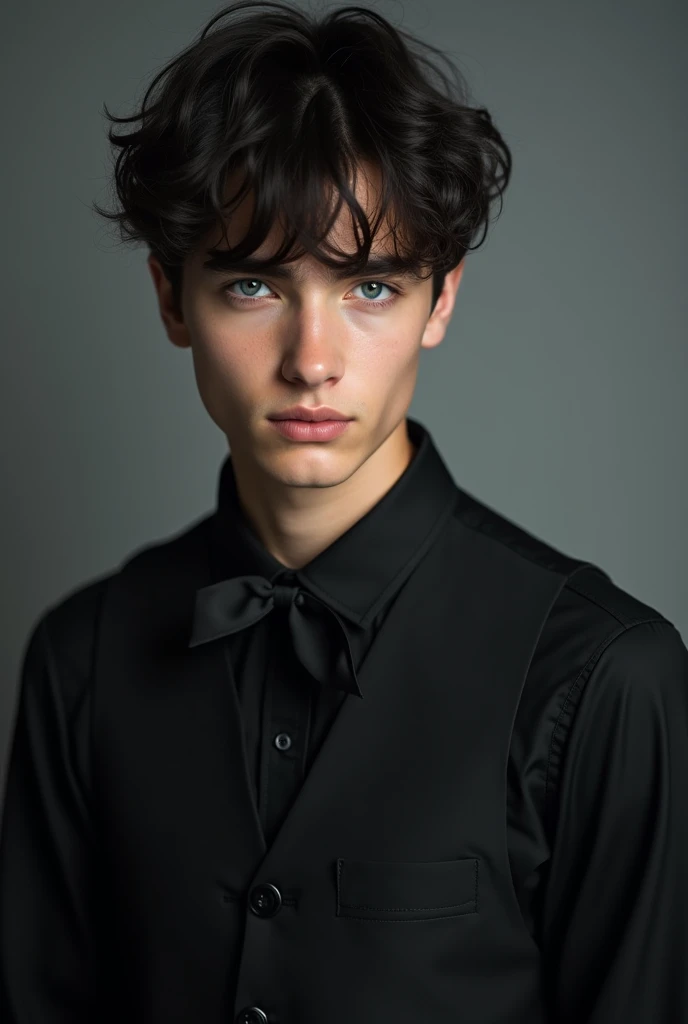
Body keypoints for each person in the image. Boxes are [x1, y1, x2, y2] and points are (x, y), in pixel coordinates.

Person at [1, 2, 686, 1022]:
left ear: (440, 297)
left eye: (369, 286)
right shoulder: (81, 658)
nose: (311, 359)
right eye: (252, 284)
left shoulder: (606, 681)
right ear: (170, 299)